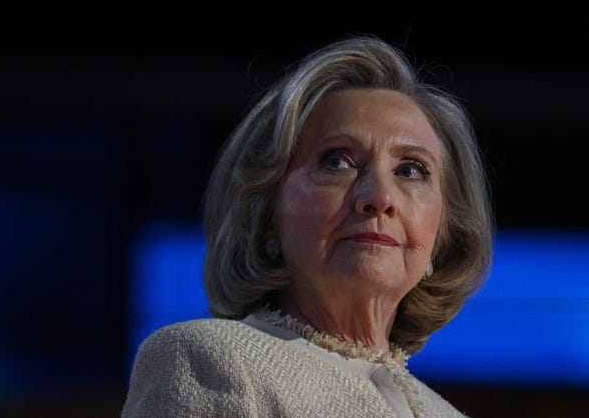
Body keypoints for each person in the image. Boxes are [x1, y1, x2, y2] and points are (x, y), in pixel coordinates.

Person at [120, 34, 494, 418]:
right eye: (337, 162)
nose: (381, 196)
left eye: (411, 170)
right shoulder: (209, 360)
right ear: (265, 211)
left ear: (443, 231)